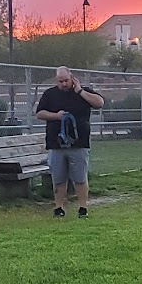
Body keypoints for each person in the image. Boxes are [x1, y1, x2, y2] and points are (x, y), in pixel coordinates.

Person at [35, 66, 104, 218]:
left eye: (66, 80)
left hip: (79, 144)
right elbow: (40, 113)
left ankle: (83, 208)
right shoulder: (50, 94)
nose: (64, 84)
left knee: (80, 177)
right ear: (56, 80)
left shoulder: (83, 92)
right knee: (58, 179)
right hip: (56, 144)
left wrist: (80, 91)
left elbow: (99, 103)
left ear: (72, 78)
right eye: (60, 81)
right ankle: (59, 208)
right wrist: (56, 116)